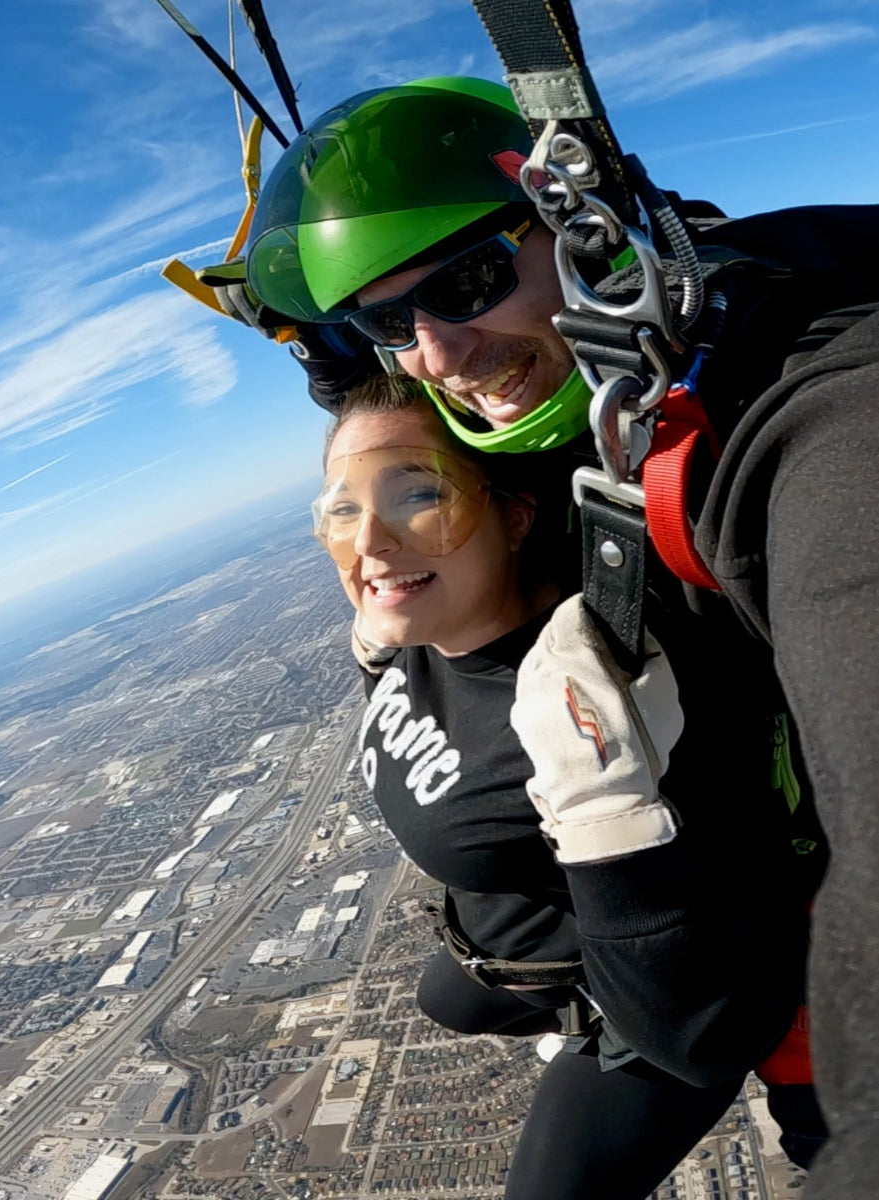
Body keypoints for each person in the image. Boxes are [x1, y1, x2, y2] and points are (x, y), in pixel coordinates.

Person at [239, 76, 879, 1196]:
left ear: (580, 229)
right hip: (563, 919)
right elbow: (370, 370)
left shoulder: (816, 411)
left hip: (768, 939)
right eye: (394, 321)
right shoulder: (545, 356)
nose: (435, 355)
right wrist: (300, 322)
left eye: (470, 280)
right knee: (455, 994)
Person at [316, 373, 823, 1197]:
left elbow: (699, 1037)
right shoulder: (424, 628)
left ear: (517, 514)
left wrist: (606, 818)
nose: (367, 539)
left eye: (416, 494)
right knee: (451, 1001)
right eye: (340, 508)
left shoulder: (592, 701)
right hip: (528, 930)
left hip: (662, 980)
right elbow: (369, 408)